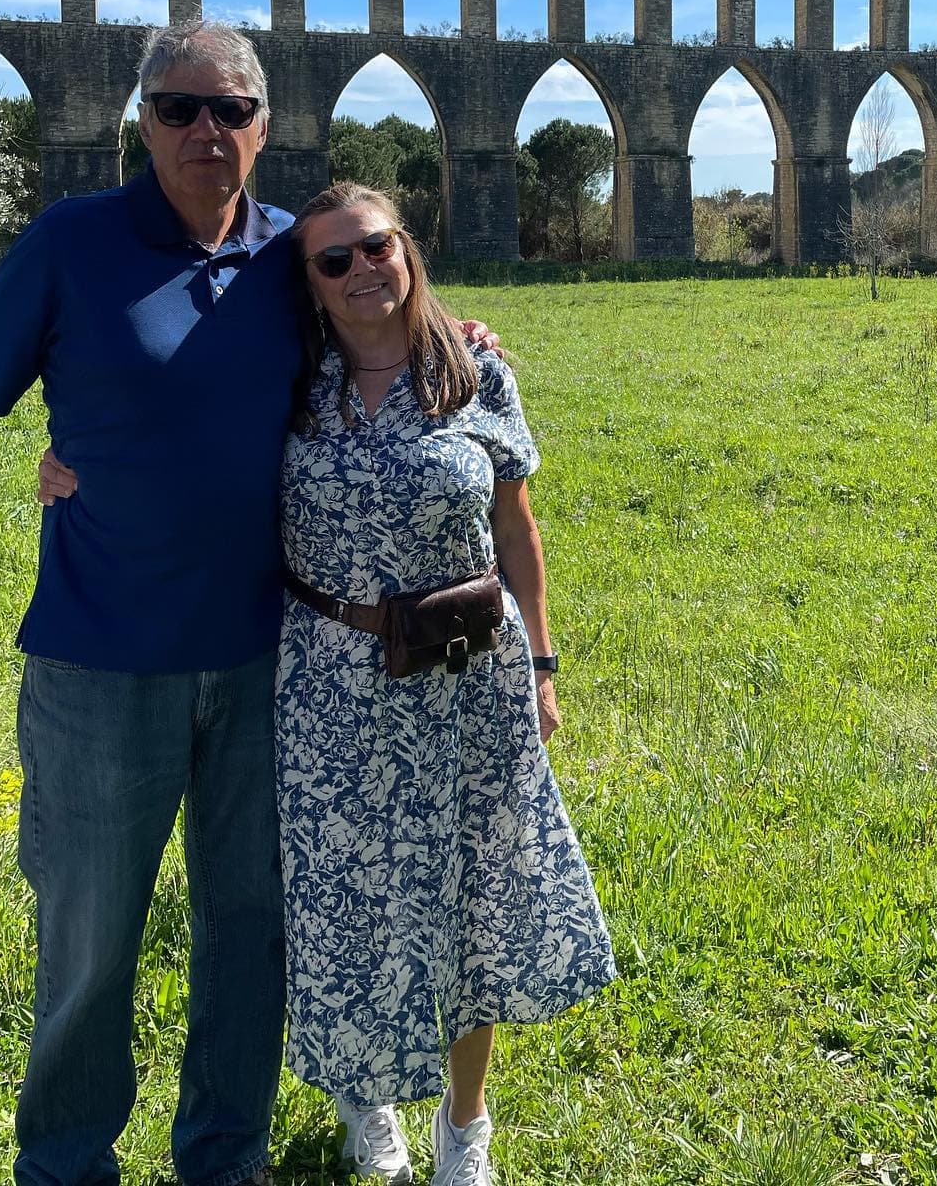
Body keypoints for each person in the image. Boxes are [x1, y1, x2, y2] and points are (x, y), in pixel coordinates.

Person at [0, 19, 497, 1186]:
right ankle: (69, 1165)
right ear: (142, 119)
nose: (205, 130)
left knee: (251, 935)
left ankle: (222, 1160)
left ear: (264, 127)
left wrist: (464, 335)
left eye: (229, 110)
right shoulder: (69, 244)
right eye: (179, 107)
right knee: (89, 945)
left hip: (265, 664)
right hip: (100, 664)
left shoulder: (296, 259)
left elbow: (381, 326)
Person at [272, 181, 615, 1184]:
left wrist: (543, 666)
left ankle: (466, 1125)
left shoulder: (478, 371)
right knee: (345, 900)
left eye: (373, 247)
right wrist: (73, 455)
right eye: (332, 261)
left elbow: (516, 526)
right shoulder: (289, 378)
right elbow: (176, 432)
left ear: (406, 250)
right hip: (330, 676)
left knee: (475, 903)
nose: (358, 271)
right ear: (311, 286)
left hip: (471, 671)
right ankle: (364, 1098)